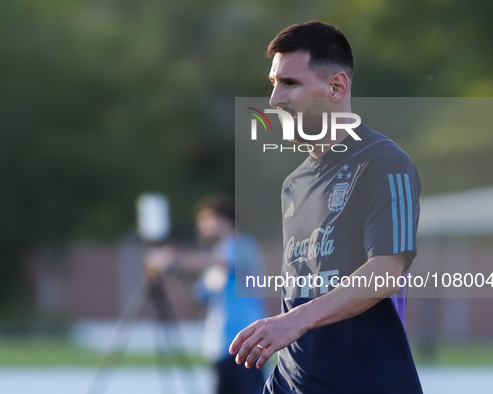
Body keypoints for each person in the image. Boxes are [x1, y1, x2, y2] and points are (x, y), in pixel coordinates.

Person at [229, 22, 423, 393]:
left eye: (290, 83)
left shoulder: (383, 162)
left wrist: (292, 322)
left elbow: (386, 272)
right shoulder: (294, 184)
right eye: (273, 83)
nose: (274, 100)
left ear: (336, 87)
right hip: (290, 384)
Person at [147, 196, 267, 394]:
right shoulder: (214, 261)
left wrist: (174, 257)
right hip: (220, 349)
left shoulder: (243, 245)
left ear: (223, 220)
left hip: (247, 346)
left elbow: (220, 261)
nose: (201, 225)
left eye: (206, 219)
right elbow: (195, 301)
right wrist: (173, 274)